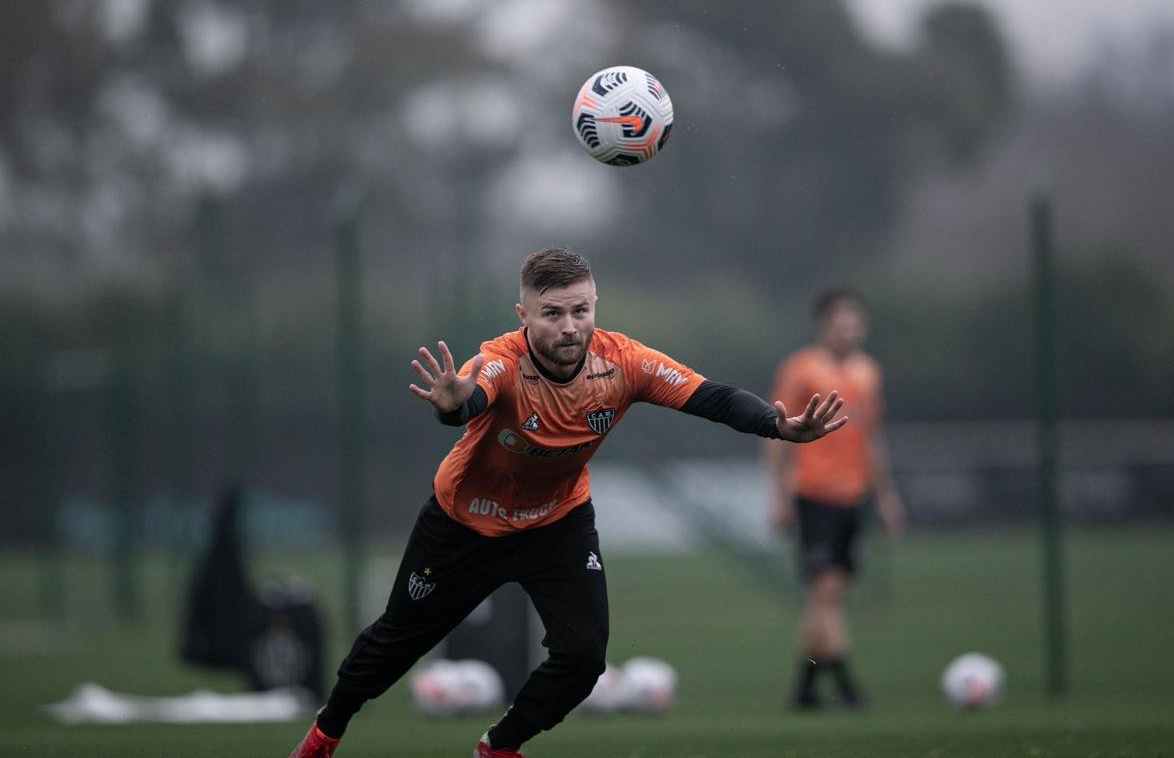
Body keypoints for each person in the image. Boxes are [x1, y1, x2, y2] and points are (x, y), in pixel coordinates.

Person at [288, 247, 849, 758]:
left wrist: (780, 426)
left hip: (556, 522)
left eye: (580, 310)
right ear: (523, 315)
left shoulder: (624, 361)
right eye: (552, 313)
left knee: (583, 659)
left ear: (594, 305)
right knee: (392, 646)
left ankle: (498, 748)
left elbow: (714, 397)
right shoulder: (502, 361)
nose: (570, 326)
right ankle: (324, 734)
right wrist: (451, 406)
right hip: (464, 523)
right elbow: (469, 396)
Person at [764, 288, 904, 711]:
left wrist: (885, 496)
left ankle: (804, 688)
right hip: (813, 493)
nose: (847, 329)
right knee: (825, 592)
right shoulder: (801, 369)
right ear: (823, 326)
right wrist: (778, 495)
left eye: (853, 321)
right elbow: (777, 435)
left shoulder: (868, 372)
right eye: (839, 322)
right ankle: (846, 685)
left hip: (854, 496)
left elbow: (871, 438)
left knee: (828, 597)